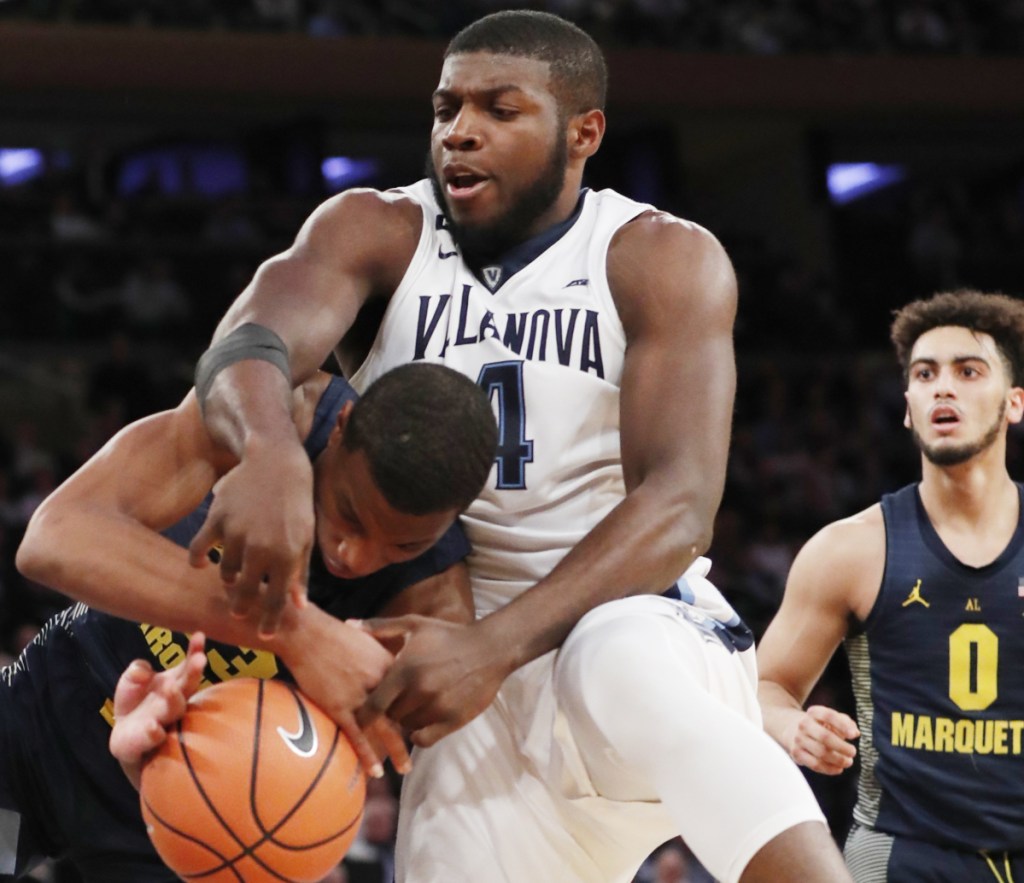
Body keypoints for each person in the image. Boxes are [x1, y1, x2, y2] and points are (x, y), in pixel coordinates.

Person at [189, 9, 850, 882]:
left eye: (500, 110)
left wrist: (493, 645)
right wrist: (270, 451)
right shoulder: (376, 229)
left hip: (636, 640)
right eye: (445, 108)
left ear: (584, 132)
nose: (460, 133)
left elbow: (681, 506)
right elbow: (247, 346)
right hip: (457, 676)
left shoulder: (655, 255)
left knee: (616, 653)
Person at [6, 362, 497, 882]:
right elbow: (52, 539)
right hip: (47, 714)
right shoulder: (265, 420)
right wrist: (295, 631)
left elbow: (321, 789)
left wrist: (161, 772)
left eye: (403, 545)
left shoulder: (430, 615)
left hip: (195, 815)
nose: (354, 554)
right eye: (349, 512)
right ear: (341, 430)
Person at [757, 289, 1024, 882]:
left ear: (1014, 404)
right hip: (903, 854)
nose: (943, 388)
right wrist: (792, 726)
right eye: (925, 375)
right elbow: (765, 685)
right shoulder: (849, 549)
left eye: (968, 371)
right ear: (907, 407)